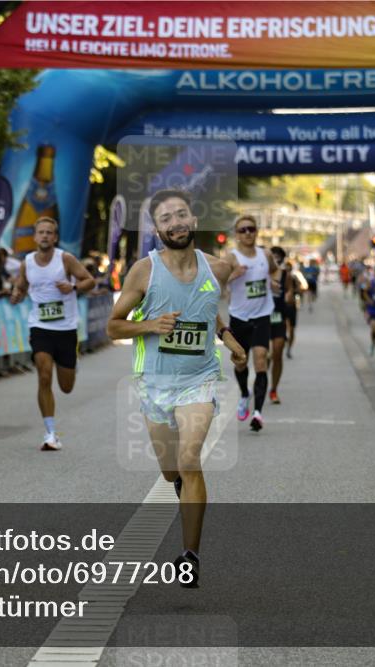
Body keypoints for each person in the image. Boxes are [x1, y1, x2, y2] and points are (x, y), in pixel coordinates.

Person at [106, 189, 246, 588]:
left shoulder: (218, 269)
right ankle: (182, 484)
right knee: (171, 472)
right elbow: (113, 326)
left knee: (189, 459)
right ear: (157, 228)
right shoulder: (143, 271)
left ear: (194, 220)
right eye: (166, 218)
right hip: (154, 383)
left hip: (198, 379)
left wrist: (228, 338)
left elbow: (208, 312)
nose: (176, 222)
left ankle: (190, 555)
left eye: (181, 214)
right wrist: (150, 325)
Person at [9, 217, 96, 451]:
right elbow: (22, 286)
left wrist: (74, 287)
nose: (45, 236)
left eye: (49, 232)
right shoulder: (27, 262)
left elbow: (90, 280)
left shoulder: (65, 259)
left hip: (66, 329)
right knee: (44, 376)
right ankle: (50, 433)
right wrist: (17, 294)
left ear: (54, 238)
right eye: (41, 232)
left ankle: (72, 362)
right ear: (35, 237)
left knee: (66, 387)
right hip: (40, 328)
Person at [225, 215, 278, 432]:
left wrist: (274, 281)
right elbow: (216, 283)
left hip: (262, 315)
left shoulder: (265, 254)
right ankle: (245, 394)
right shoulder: (231, 258)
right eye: (243, 230)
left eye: (251, 229)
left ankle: (258, 413)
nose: (248, 233)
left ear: (257, 232)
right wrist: (233, 275)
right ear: (236, 235)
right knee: (240, 362)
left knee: (260, 360)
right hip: (239, 317)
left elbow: (275, 269)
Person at [268, 246, 296, 404]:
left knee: (277, 353)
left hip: (278, 316)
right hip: (262, 317)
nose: (275, 258)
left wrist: (288, 296)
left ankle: (273, 389)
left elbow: (289, 291)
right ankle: (261, 382)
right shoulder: (260, 273)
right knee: (264, 356)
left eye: (278, 256)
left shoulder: (286, 275)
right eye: (273, 255)